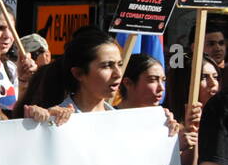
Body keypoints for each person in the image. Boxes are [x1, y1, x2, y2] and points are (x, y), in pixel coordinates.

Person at [21, 26, 178, 135]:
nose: (118, 73)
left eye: (119, 65)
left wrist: (165, 131)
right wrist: (36, 125)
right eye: (107, 66)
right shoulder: (54, 121)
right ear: (78, 73)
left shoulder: (124, 123)